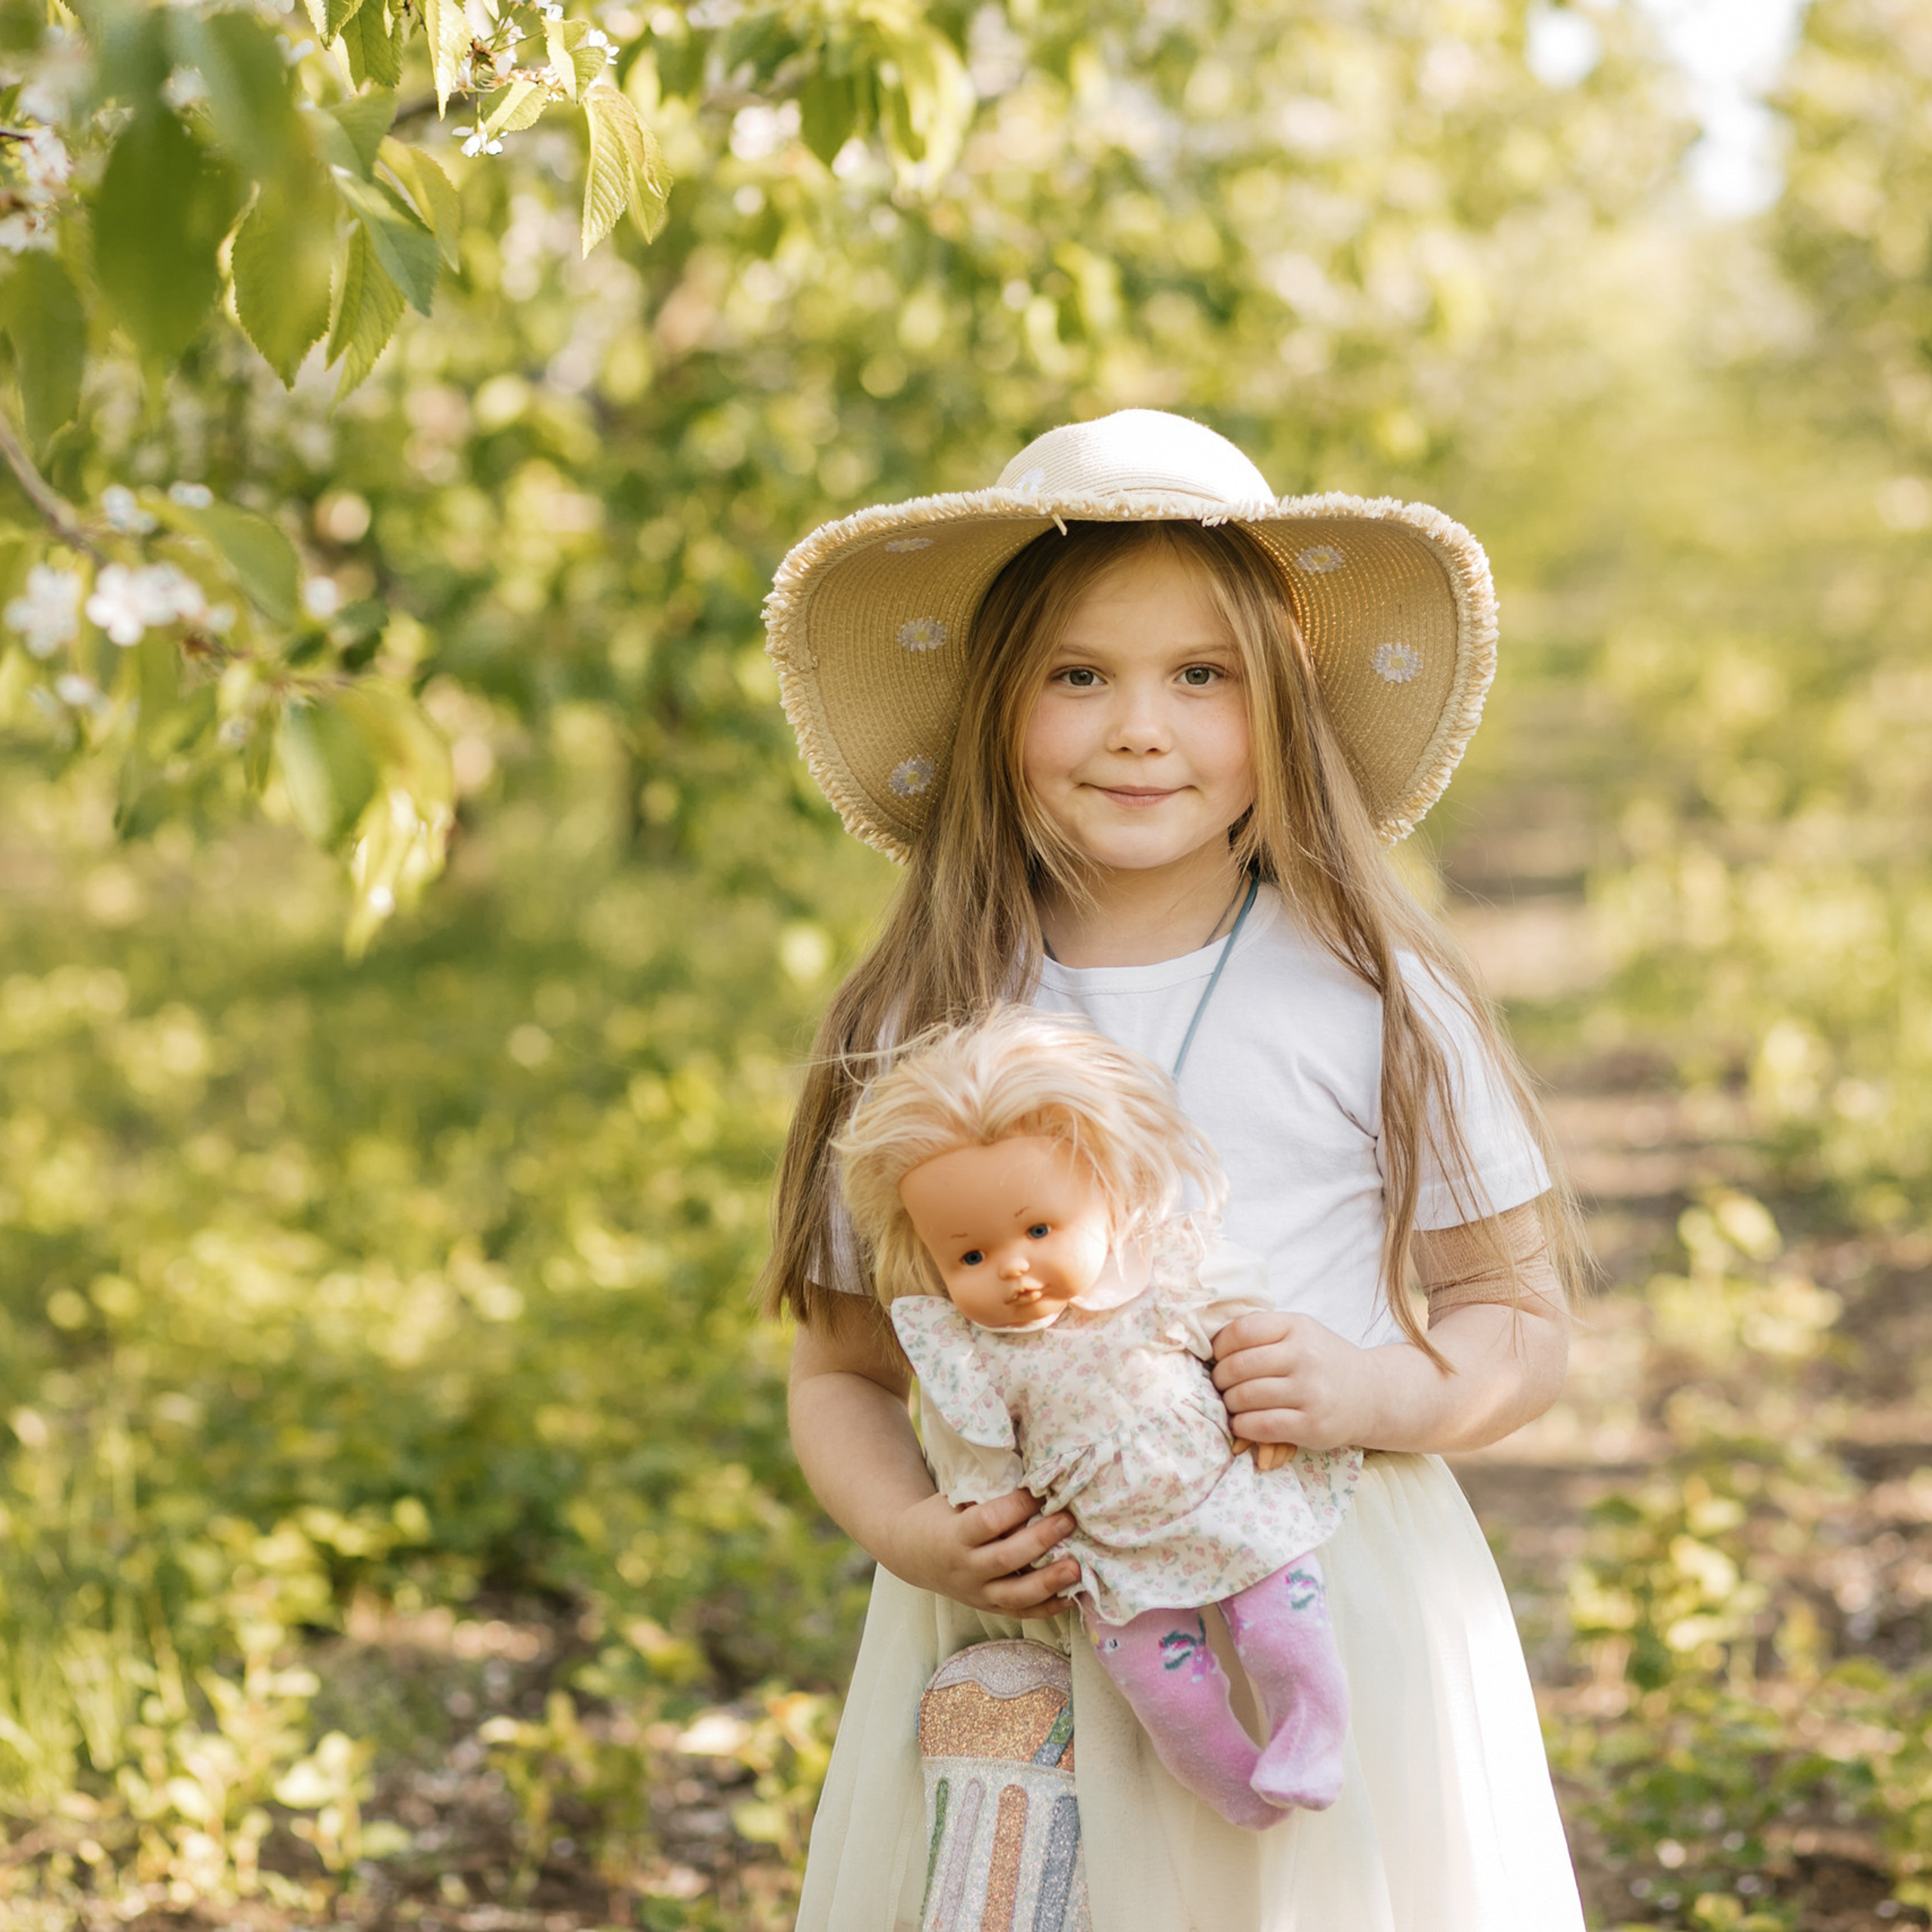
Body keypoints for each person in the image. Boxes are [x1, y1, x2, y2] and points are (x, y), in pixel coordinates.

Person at [761, 408, 1586, 1930]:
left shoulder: (1371, 989)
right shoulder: (915, 1015)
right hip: (1025, 1636)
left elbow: (1514, 1312)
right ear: (995, 709)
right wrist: (912, 1529)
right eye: (1079, 674)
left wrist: (1378, 1387)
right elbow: (839, 1367)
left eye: (1199, 676)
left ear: (1278, 710)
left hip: (1320, 1597)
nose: (1140, 726)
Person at [837, 1008, 1361, 1829]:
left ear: (1109, 1196)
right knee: (1164, 1691)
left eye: (1040, 1229)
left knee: (1287, 1633)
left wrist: (1266, 1406)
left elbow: (1242, 1336)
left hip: (1228, 1494)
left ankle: (1312, 1731)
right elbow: (979, 1452)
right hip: (1106, 1549)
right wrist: (986, 1525)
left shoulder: (1169, 1278)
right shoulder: (972, 1354)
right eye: (969, 1256)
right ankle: (1226, 1778)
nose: (1011, 1269)